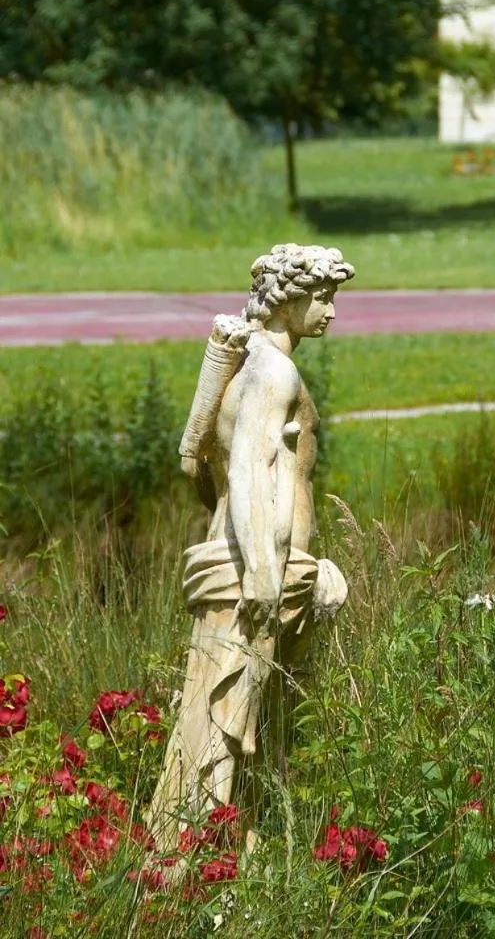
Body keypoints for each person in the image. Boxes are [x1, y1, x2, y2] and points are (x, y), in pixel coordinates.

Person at [147, 244, 354, 852]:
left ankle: (233, 858)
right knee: (219, 734)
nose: (332, 313)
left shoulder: (246, 363)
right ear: (289, 300)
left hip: (257, 567)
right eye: (323, 298)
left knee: (242, 726)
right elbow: (248, 466)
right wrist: (266, 572)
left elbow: (202, 474)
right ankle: (184, 867)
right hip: (253, 578)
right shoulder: (273, 372)